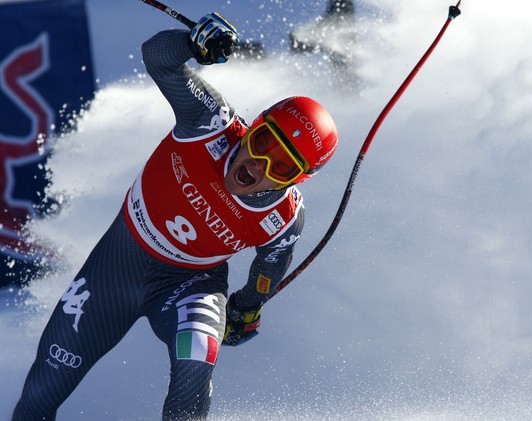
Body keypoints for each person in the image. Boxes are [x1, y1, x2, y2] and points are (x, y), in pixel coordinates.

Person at [12, 11, 339, 421]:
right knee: (40, 394)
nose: (258, 166)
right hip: (118, 265)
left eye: (281, 168)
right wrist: (192, 43)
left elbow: (271, 264)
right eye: (262, 143)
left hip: (191, 284)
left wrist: (247, 307)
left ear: (298, 181)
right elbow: (156, 57)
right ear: (253, 126)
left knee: (195, 360)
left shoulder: (283, 217)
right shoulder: (211, 122)